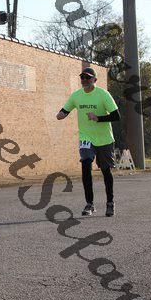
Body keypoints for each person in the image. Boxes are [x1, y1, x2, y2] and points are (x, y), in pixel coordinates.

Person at [56, 67, 120, 217]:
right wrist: (61, 115)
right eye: (82, 77)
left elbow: (116, 116)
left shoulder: (103, 94)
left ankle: (110, 203)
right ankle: (89, 204)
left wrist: (98, 118)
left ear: (95, 80)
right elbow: (64, 110)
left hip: (104, 138)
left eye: (88, 77)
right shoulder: (76, 95)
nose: (84, 80)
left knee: (105, 170)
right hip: (86, 137)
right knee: (85, 164)